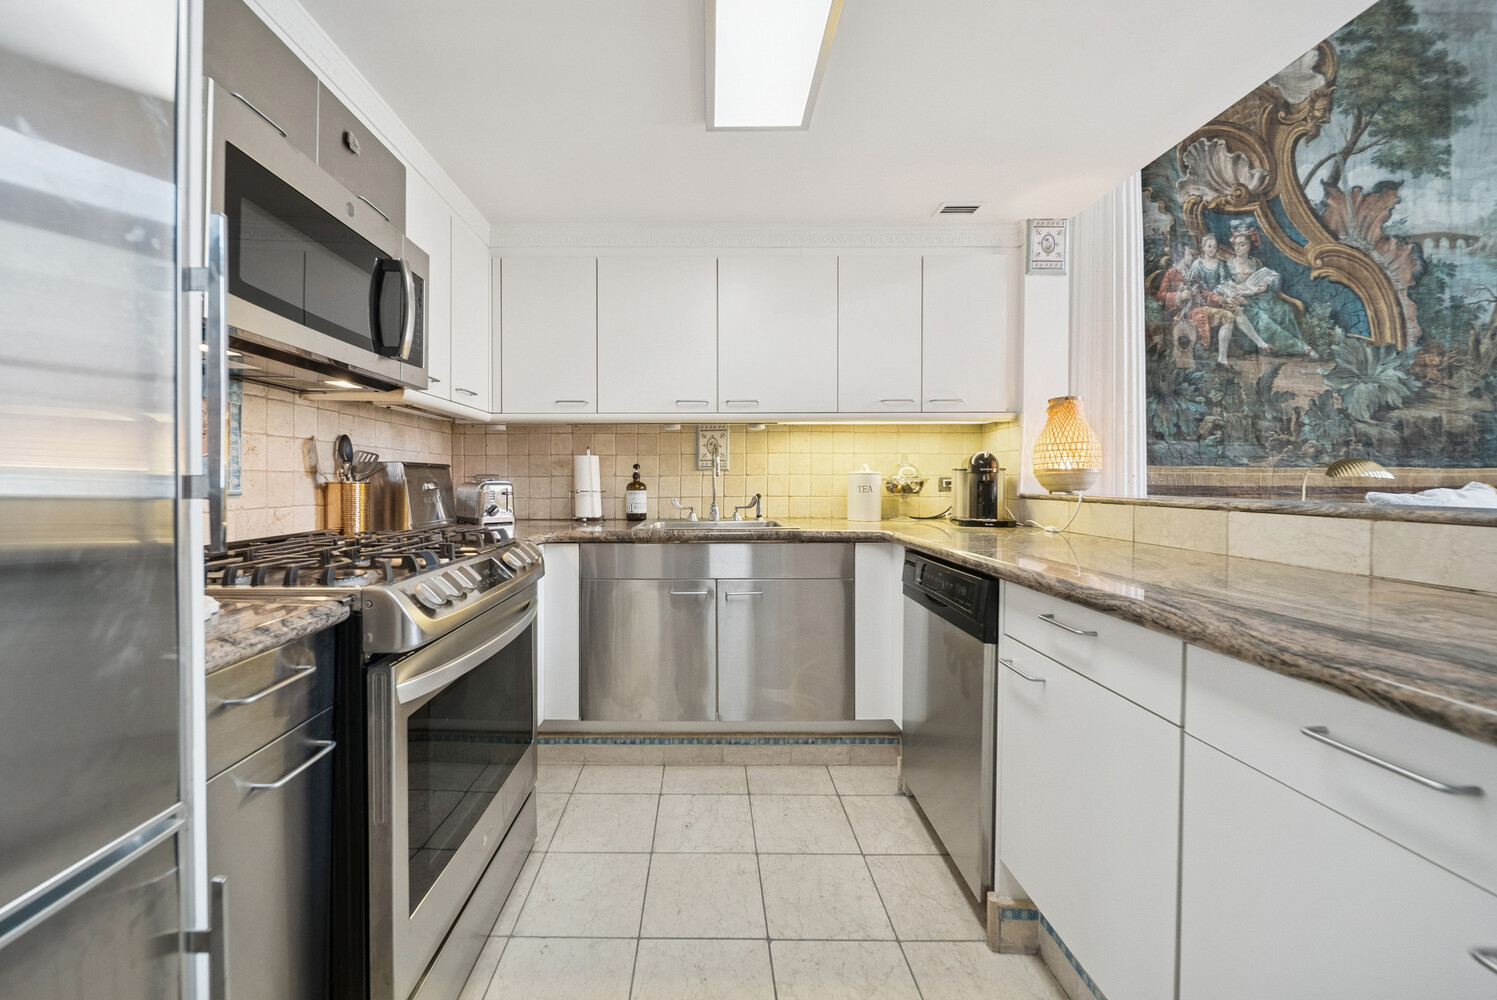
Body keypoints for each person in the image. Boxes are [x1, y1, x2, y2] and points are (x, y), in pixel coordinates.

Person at [1217, 224, 1316, 362]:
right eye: (1236, 244)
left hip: (1260, 297)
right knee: (1262, 318)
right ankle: (1301, 347)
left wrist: (1264, 285)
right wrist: (1237, 286)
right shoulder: (1228, 264)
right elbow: (1224, 282)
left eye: (1242, 244)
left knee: (1284, 309)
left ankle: (1284, 348)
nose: (1238, 247)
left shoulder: (1255, 262)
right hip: (1243, 301)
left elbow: (1264, 276)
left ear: (1249, 247)